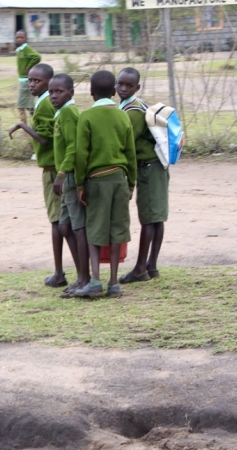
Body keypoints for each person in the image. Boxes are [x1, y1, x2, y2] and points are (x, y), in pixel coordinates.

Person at [73, 70, 137, 298]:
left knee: (95, 230)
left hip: (96, 181)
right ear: (113, 92)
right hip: (120, 179)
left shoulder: (86, 117)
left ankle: (94, 280)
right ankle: (113, 283)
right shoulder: (123, 116)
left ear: (91, 93)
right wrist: (131, 183)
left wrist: (80, 185)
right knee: (116, 230)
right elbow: (131, 153)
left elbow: (81, 155)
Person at [9, 63, 73, 289]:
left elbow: (46, 140)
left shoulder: (46, 103)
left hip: (53, 169)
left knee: (57, 221)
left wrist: (21, 125)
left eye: (37, 81)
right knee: (64, 221)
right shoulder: (47, 101)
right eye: (30, 80)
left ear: (49, 81)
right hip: (56, 167)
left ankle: (59, 273)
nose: (32, 84)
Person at [116, 67, 169, 284]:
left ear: (137, 87)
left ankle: (141, 268)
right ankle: (151, 266)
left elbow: (123, 139)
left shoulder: (133, 111)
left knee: (150, 218)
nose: (123, 88)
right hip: (154, 165)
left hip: (150, 166)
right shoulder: (131, 106)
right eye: (120, 84)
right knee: (155, 217)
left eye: (129, 85)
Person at [50, 73, 89, 296]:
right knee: (64, 226)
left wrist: (62, 173)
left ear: (71, 93)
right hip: (65, 177)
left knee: (77, 227)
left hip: (71, 176)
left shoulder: (68, 113)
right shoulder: (61, 112)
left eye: (59, 92)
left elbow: (75, 147)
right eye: (51, 92)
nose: (53, 96)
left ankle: (85, 278)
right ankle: (80, 275)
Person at [15, 30, 41, 124]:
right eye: (17, 37)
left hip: (26, 80)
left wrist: (29, 67)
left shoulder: (26, 48)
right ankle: (38, 124)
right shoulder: (21, 49)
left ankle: (25, 128)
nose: (19, 39)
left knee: (20, 106)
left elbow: (37, 56)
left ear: (25, 39)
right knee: (30, 107)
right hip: (24, 80)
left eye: (21, 37)